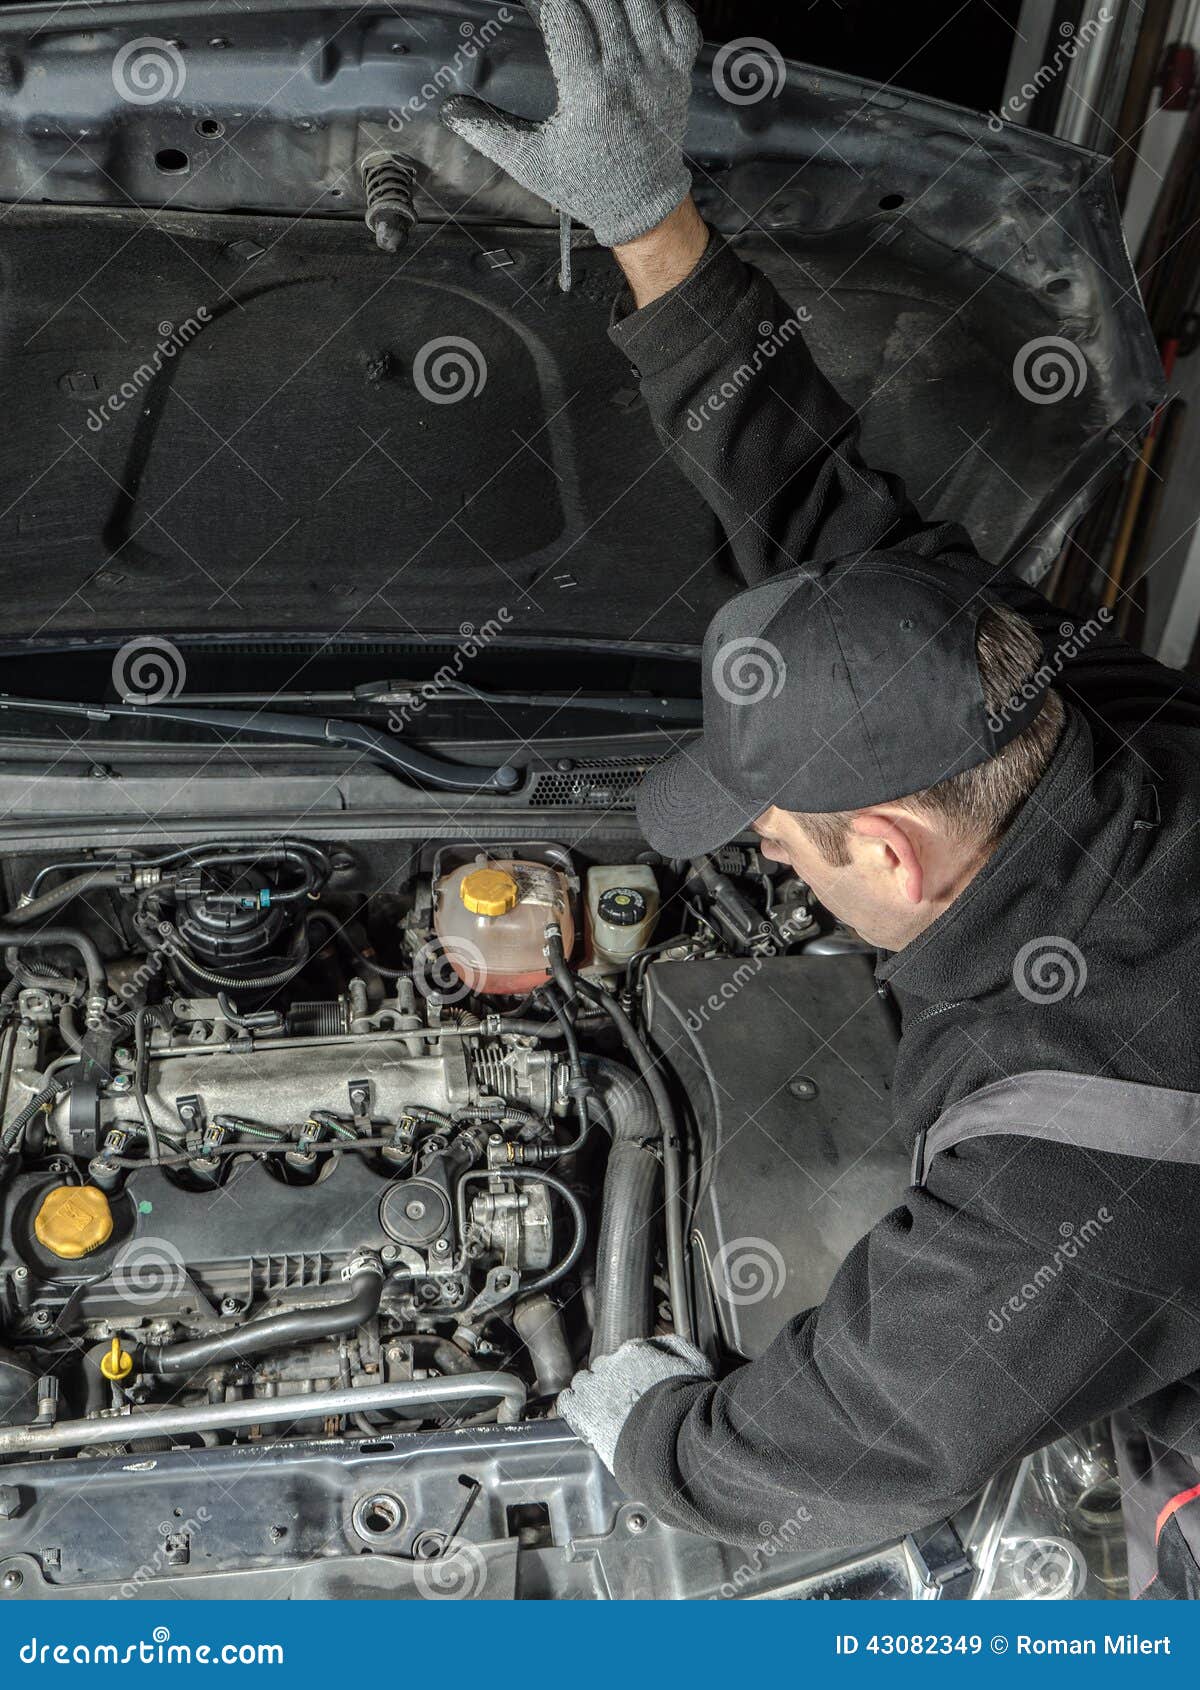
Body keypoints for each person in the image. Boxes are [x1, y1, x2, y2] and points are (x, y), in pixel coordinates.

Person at [443, 0, 1200, 1598]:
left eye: (776, 851)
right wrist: (654, 224)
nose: (768, 871)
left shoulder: (1079, 1144)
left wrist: (656, 1434)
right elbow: (830, 518)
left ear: (889, 845)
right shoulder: (1072, 693)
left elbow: (869, 1430)